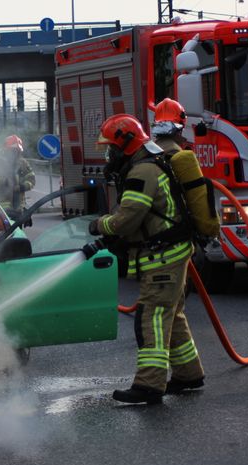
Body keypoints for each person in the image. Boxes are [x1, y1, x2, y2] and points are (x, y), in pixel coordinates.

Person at [88, 113, 205, 404]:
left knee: (151, 315)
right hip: (173, 250)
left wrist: (100, 225)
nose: (108, 155)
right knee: (171, 314)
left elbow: (127, 219)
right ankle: (189, 374)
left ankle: (149, 385)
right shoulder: (148, 164)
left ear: (125, 145)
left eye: (110, 148)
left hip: (163, 255)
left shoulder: (142, 172)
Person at [0, 135, 36, 216]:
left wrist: (22, 187)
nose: (14, 153)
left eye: (16, 151)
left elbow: (31, 180)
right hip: (1, 209)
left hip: (18, 209)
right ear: (6, 150)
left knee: (17, 228)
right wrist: (3, 182)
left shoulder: (23, 163)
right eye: (12, 150)